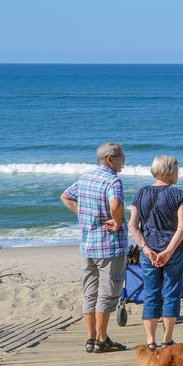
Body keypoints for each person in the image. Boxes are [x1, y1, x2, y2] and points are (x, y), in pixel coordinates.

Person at [60, 142, 128, 354]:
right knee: (107, 293)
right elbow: (115, 205)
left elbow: (65, 196)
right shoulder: (112, 180)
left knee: (90, 292)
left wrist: (84, 214)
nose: (124, 161)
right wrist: (117, 222)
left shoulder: (85, 178)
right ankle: (101, 339)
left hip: (88, 245)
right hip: (109, 245)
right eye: (121, 156)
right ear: (110, 159)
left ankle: (91, 338)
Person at [127, 155, 183, 351]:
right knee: (171, 293)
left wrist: (146, 249)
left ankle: (150, 340)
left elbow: (132, 226)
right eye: (176, 169)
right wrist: (168, 251)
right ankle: (167, 340)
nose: (178, 173)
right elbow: (182, 228)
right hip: (174, 250)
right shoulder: (178, 194)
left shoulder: (141, 193)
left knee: (151, 293)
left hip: (149, 251)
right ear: (169, 171)